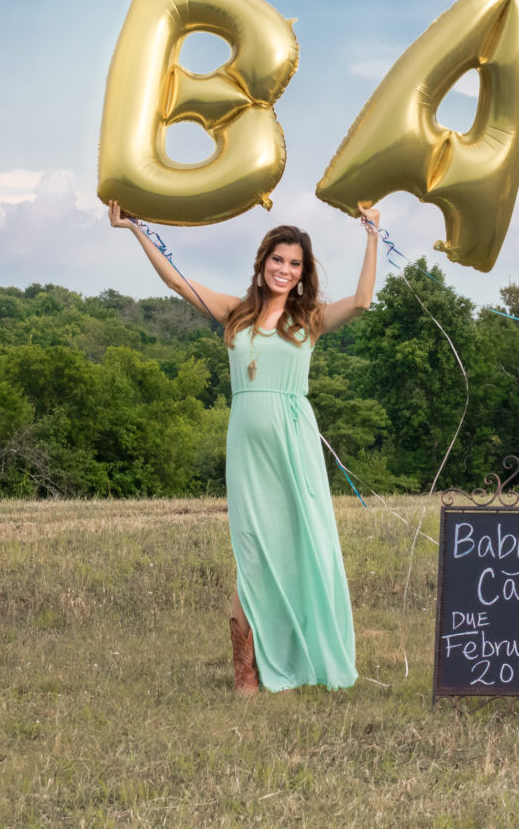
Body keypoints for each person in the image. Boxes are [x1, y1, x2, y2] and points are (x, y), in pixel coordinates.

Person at [110, 199, 381, 693]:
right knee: (253, 551)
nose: (285, 269)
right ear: (262, 264)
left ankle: (309, 655)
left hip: (294, 445)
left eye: (295, 263)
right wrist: (134, 228)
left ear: (302, 274)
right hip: (248, 450)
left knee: (304, 547)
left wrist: (371, 235)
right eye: (278, 259)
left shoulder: (310, 319)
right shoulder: (235, 313)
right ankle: (245, 671)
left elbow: (362, 301)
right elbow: (176, 281)